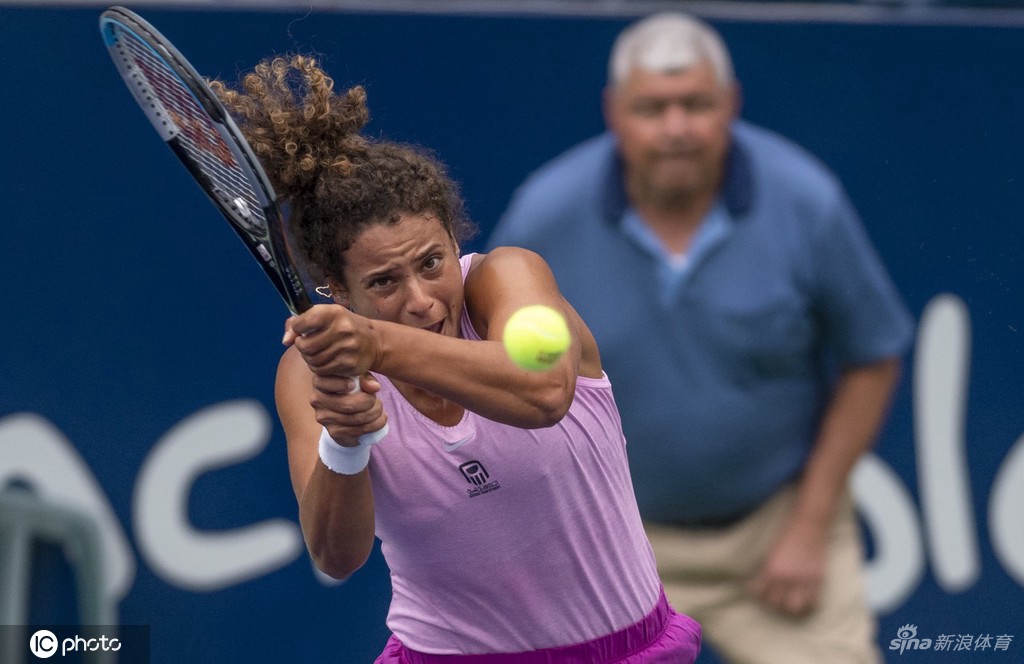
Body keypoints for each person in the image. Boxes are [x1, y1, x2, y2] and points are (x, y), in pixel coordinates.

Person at [210, 55, 702, 663]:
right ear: (338, 291)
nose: (421, 300)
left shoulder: (509, 278)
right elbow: (336, 557)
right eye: (384, 282)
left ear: (453, 237)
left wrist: (378, 344)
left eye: (431, 263)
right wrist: (345, 442)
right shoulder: (312, 373)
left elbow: (545, 391)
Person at [487, 12, 915, 664]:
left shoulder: (807, 200)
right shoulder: (544, 215)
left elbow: (871, 359)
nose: (676, 127)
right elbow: (491, 374)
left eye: (696, 104)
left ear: (731, 104)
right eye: (652, 108)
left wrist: (808, 525)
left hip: (777, 531)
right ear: (614, 112)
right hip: (605, 541)